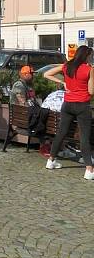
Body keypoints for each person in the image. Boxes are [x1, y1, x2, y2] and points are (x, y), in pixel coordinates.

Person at [43, 46, 94, 179]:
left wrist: (62, 82)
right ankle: (89, 169)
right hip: (82, 105)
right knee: (84, 137)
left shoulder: (66, 66)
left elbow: (46, 74)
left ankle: (51, 161)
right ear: (86, 56)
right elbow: (91, 91)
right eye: (91, 55)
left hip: (67, 104)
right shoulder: (89, 69)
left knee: (61, 133)